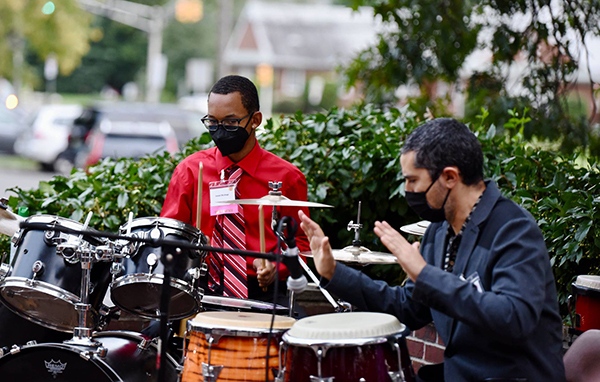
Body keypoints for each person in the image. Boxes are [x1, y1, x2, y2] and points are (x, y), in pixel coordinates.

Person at [298, 118, 566, 381]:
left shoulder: (513, 229)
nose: (407, 190)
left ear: (449, 177)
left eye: (413, 180)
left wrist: (425, 274)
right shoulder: (439, 232)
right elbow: (407, 307)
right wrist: (334, 271)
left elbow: (514, 318)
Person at [161, 74, 310, 309]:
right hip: (201, 289)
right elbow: (169, 237)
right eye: (212, 122)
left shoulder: (287, 178)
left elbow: (303, 244)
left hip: (263, 293)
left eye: (230, 123)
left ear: (255, 120)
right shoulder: (190, 171)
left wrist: (277, 266)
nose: (220, 130)